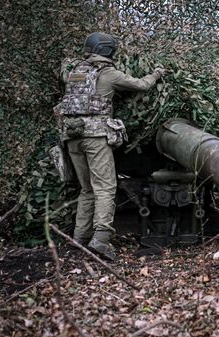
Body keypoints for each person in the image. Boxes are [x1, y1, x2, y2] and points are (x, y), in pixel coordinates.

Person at [58, 32, 165, 260]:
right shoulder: (108, 74)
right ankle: (101, 240)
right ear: (108, 51)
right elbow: (142, 85)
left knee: (86, 188)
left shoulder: (74, 74)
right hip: (95, 137)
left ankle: (79, 238)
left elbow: (64, 72)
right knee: (105, 187)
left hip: (71, 137)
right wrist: (156, 73)